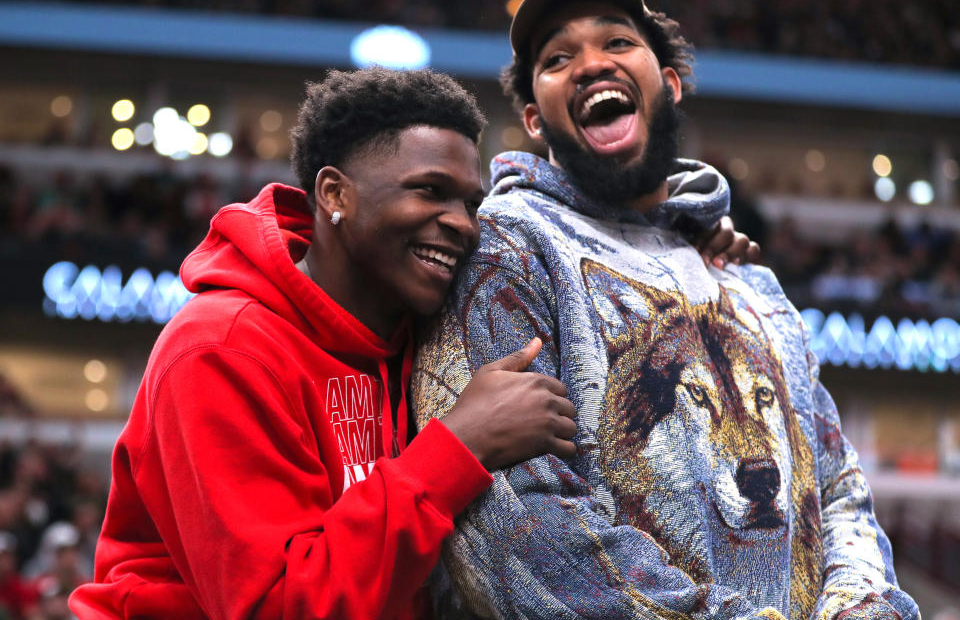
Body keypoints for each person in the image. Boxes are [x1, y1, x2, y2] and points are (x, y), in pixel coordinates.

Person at [68, 66, 755, 620]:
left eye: (469, 202)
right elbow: (277, 606)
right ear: (334, 195)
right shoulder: (220, 348)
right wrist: (458, 447)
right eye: (429, 191)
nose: (460, 224)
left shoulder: (418, 327)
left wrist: (684, 247)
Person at [412, 0, 919, 620]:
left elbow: (838, 487)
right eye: (558, 58)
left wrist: (866, 610)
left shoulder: (750, 281)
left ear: (670, 86)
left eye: (618, 43)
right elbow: (520, 527)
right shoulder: (508, 253)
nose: (592, 64)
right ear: (536, 121)